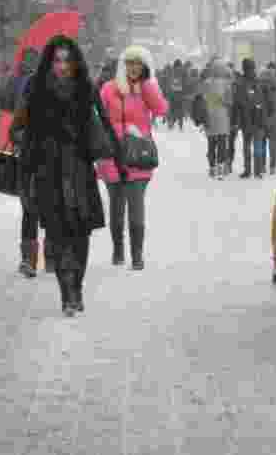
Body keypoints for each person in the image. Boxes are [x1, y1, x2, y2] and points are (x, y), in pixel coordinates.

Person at [9, 35, 108, 316]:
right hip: (48, 172)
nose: (62, 66)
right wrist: (34, 143)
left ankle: (77, 284)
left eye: (67, 60)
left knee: (81, 234)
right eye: (57, 60)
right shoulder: (36, 89)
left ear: (74, 62)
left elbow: (100, 124)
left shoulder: (85, 88)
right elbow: (17, 128)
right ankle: (68, 294)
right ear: (49, 62)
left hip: (79, 171)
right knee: (58, 235)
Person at [97, 45, 168, 269]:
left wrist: (147, 86)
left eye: (139, 63)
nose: (134, 67)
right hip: (112, 156)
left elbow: (161, 109)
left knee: (136, 206)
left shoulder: (146, 89)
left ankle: (137, 255)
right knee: (117, 207)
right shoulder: (108, 89)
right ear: (122, 65)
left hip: (138, 155)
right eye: (130, 63)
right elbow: (97, 117)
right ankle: (118, 250)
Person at [1, 48, 43, 278]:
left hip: (50, 162)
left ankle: (48, 257)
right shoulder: (26, 96)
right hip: (30, 160)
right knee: (32, 209)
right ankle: (30, 259)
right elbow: (15, 128)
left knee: (47, 210)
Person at [202, 59, 233, 178]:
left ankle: (211, 167)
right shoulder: (227, 85)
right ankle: (220, 167)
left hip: (209, 116)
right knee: (221, 143)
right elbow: (229, 101)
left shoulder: (206, 83)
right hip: (222, 117)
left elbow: (203, 100)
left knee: (211, 143)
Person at [233, 58, 262, 178]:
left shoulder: (240, 83)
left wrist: (236, 120)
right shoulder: (258, 82)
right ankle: (258, 170)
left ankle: (248, 170)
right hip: (258, 118)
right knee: (258, 145)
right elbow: (262, 100)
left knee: (246, 146)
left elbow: (237, 103)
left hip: (246, 119)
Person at [259, 62, 276, 176]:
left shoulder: (259, 84)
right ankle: (273, 166)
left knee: (262, 142)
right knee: (273, 143)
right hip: (275, 116)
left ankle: (263, 165)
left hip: (262, 116)